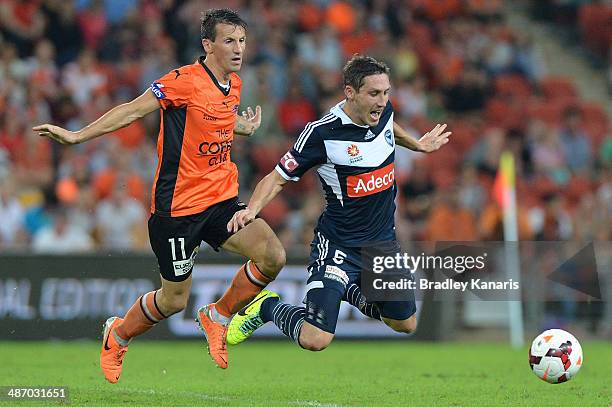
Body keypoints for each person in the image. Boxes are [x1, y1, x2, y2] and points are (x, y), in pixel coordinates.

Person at [33, 9, 286, 381]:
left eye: (242, 41)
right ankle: (117, 334)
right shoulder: (183, 81)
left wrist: (244, 126)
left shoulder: (235, 85)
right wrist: (76, 137)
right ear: (208, 44)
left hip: (221, 200)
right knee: (173, 300)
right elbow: (132, 109)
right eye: (229, 40)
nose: (238, 49)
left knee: (273, 255)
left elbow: (219, 116)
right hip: (177, 210)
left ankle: (218, 315)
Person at [225, 55, 451, 351]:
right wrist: (252, 209)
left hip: (382, 244)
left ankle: (348, 291)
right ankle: (267, 308)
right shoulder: (322, 134)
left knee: (404, 323)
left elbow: (389, 127)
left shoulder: (382, 111)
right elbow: (277, 177)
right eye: (373, 94)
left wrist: (417, 144)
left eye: (386, 93)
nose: (382, 101)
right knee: (315, 339)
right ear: (350, 93)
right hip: (339, 245)